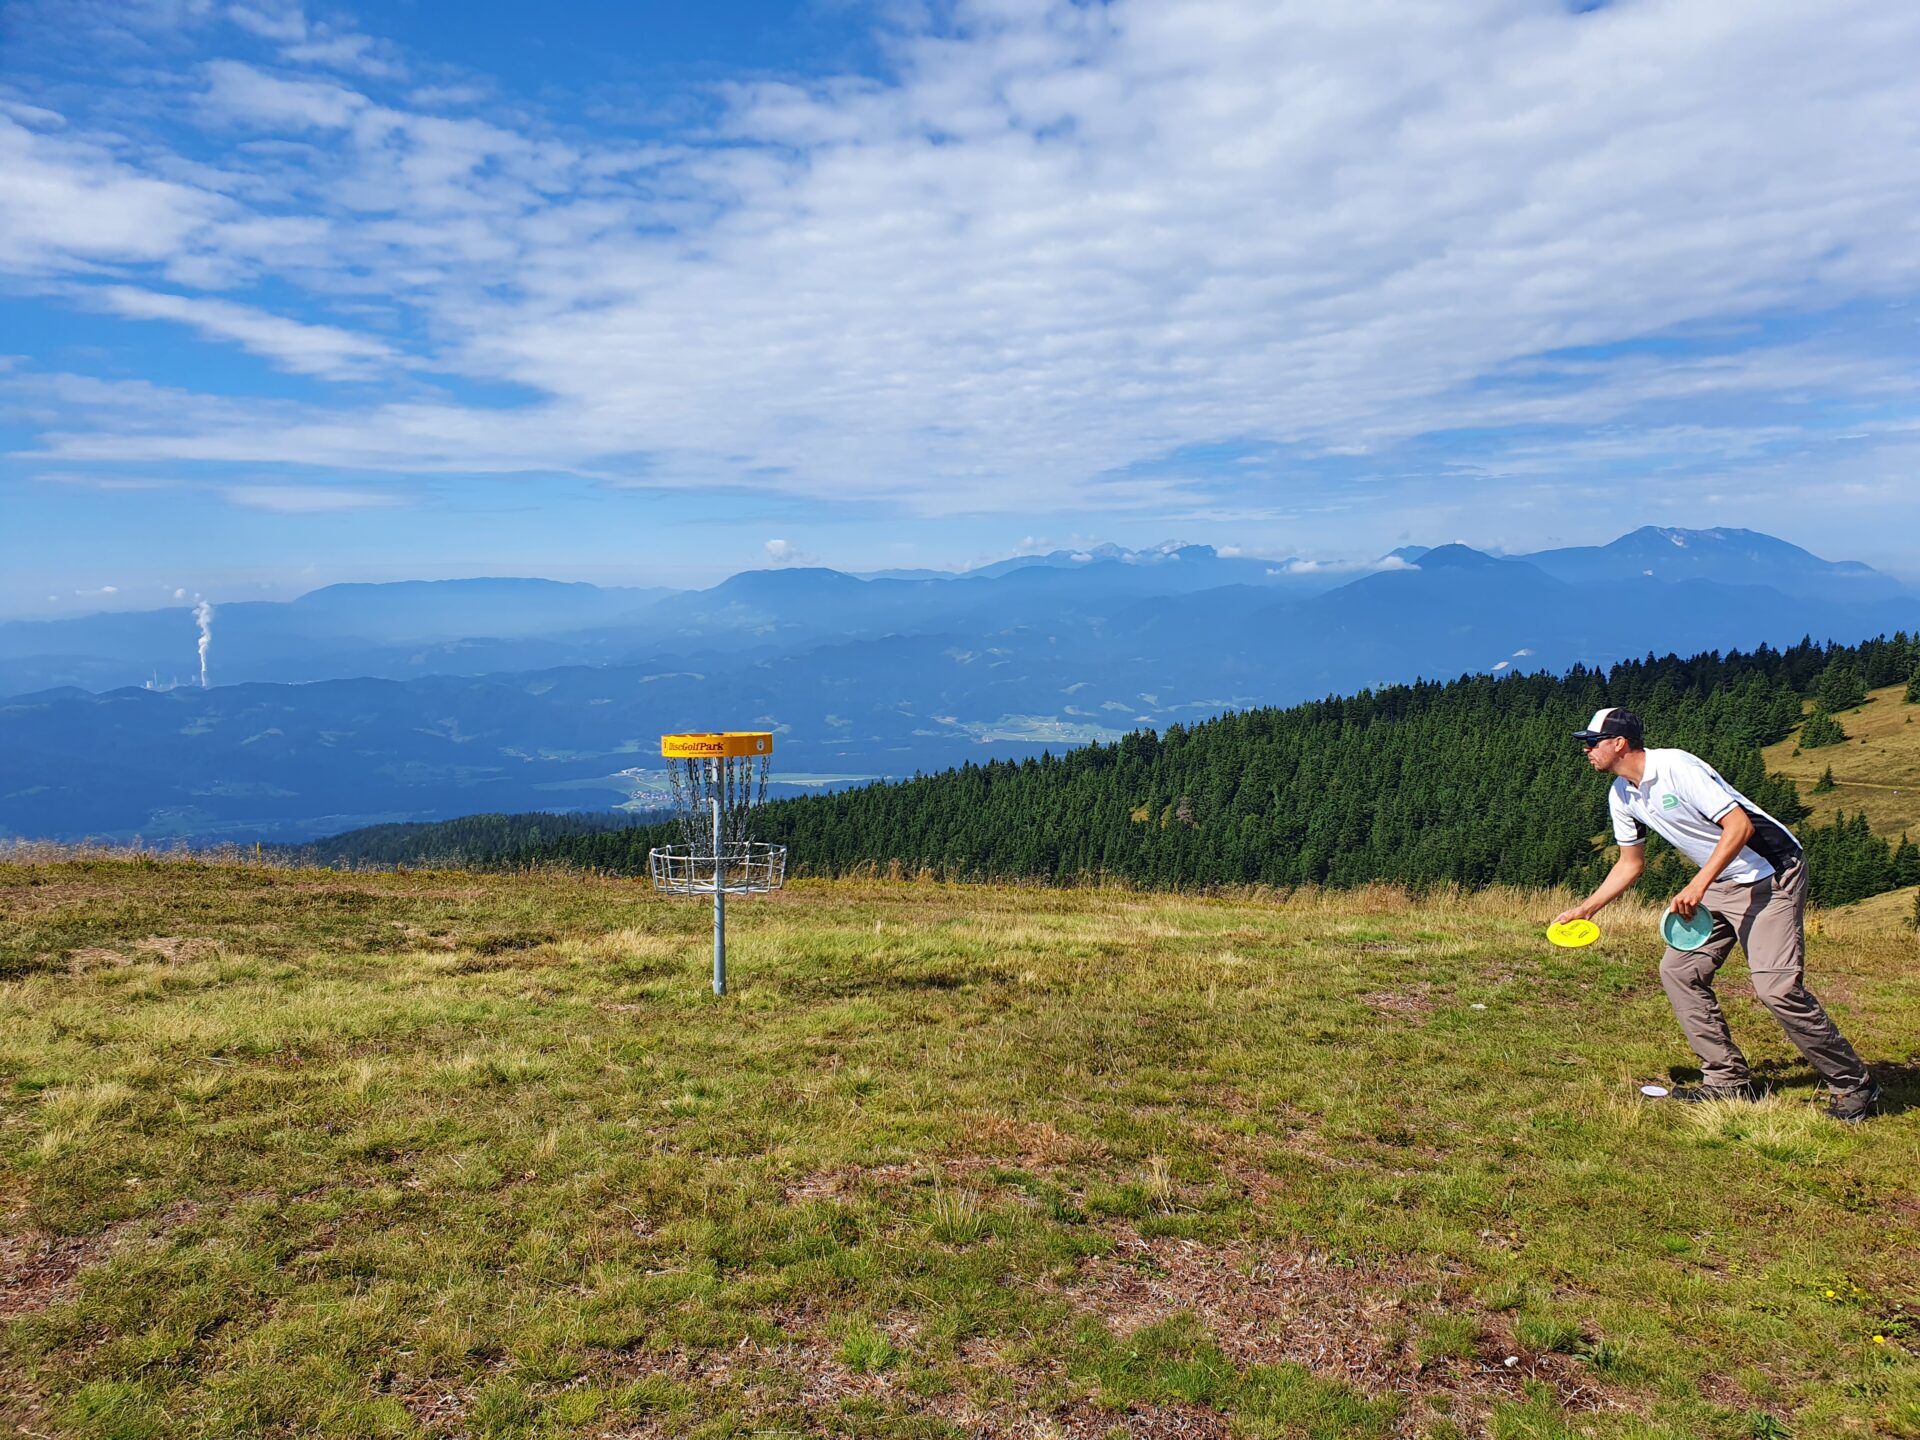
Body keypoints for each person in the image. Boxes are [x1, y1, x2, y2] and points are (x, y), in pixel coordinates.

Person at [1553, 707, 1878, 1121]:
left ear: (1619, 743)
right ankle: (1727, 1080)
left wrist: (1698, 884)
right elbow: (1630, 863)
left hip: (1771, 875)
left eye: (1592, 742)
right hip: (1722, 882)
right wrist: (1586, 909)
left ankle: (1855, 1085)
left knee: (1777, 989)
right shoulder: (1622, 793)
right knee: (1679, 972)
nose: (1586, 750)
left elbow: (1739, 827)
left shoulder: (1676, 768)